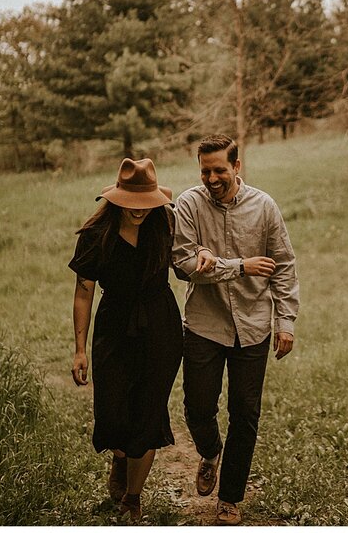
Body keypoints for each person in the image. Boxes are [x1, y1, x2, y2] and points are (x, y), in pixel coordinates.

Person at [172, 134, 300, 526]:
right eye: (205, 170)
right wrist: (238, 266)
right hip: (204, 326)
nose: (211, 178)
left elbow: (283, 264)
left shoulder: (265, 207)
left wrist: (286, 320)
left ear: (237, 167)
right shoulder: (188, 204)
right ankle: (210, 452)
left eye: (219, 170)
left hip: (254, 325)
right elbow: (183, 264)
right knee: (197, 408)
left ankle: (229, 498)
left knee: (245, 413)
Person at [69, 157, 185, 522]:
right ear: (116, 199)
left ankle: (133, 498)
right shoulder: (96, 235)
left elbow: (190, 256)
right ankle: (120, 458)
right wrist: (79, 350)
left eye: (145, 205)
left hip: (160, 325)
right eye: (132, 204)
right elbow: (84, 292)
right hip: (114, 326)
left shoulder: (164, 224)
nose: (139, 212)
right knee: (113, 411)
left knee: (148, 414)